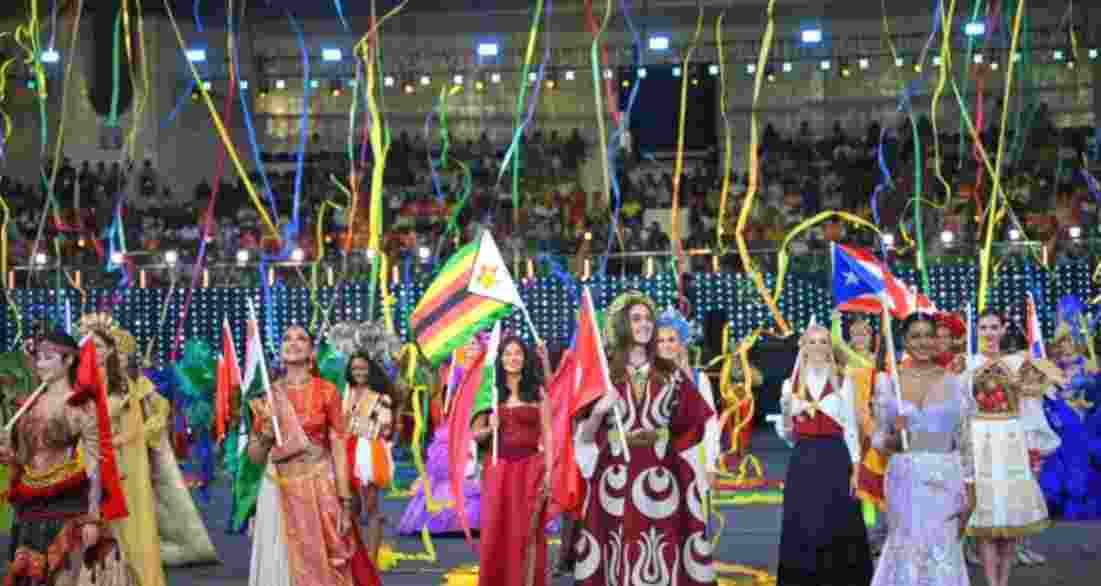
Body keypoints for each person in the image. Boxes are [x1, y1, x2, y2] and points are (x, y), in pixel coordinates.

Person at [573, 291, 716, 586]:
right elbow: (585, 436)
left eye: (648, 318)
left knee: (663, 550)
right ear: (623, 324)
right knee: (617, 548)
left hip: (664, 478)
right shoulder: (604, 374)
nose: (645, 324)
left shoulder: (671, 373)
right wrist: (599, 411)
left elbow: (694, 424)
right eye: (636, 318)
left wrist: (673, 448)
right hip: (615, 479)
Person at [246, 325, 379, 586]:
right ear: (280, 350)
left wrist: (344, 500)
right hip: (278, 490)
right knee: (282, 563)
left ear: (311, 351)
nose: (293, 343)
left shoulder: (327, 391)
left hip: (319, 487)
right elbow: (255, 457)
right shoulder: (269, 396)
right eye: (286, 338)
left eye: (301, 338)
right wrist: (264, 433)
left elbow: (339, 446)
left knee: (325, 562)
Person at [0, 329, 134, 586]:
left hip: (67, 503)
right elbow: (24, 458)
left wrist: (93, 517)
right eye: (37, 358)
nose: (40, 364)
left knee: (62, 578)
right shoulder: (31, 404)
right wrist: (9, 453)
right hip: (29, 503)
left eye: (48, 358)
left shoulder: (81, 404)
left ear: (69, 360)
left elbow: (94, 461)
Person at [869, 313, 973, 586]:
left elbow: (966, 441)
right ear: (904, 341)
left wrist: (972, 489)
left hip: (945, 476)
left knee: (943, 545)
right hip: (905, 477)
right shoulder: (888, 383)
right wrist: (894, 436)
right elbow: (879, 441)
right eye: (915, 336)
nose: (923, 342)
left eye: (928, 335)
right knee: (907, 544)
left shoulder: (956, 381)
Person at [776, 319, 873, 586]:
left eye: (823, 342)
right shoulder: (790, 384)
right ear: (803, 346)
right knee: (804, 523)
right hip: (804, 457)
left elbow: (851, 428)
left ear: (829, 347)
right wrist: (786, 414)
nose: (817, 347)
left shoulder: (843, 381)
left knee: (837, 521)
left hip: (835, 457)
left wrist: (856, 469)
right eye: (812, 342)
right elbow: (787, 435)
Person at [83, 315, 167, 586]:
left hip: (125, 469)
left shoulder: (132, 385)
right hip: (86, 467)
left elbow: (161, 411)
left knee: (129, 534)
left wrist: (134, 435)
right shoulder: (79, 386)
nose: (92, 352)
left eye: (98, 346)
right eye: (88, 346)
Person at [470, 336, 553, 586]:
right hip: (498, 470)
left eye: (518, 353)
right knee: (496, 531)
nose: (513, 358)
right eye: (507, 354)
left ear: (525, 359)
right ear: (500, 358)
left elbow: (549, 434)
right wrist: (489, 428)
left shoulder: (537, 392)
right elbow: (475, 434)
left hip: (531, 469)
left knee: (526, 533)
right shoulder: (490, 393)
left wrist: (550, 473)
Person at [397, 335, 483, 535]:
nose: (471, 349)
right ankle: (447, 517)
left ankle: (473, 518)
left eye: (475, 345)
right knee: (445, 468)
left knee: (474, 467)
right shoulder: (455, 372)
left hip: (479, 420)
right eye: (467, 345)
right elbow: (447, 399)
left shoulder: (487, 375)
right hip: (457, 422)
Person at [830, 311, 886, 551]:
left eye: (864, 333)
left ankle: (883, 529)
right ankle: (868, 530)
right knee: (860, 476)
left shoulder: (879, 360)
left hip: (877, 423)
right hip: (853, 426)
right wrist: (835, 321)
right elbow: (836, 343)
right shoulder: (849, 361)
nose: (860, 338)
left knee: (879, 474)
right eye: (855, 334)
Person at [655, 306, 720, 486]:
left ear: (681, 343)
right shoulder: (645, 379)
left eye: (671, 340)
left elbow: (710, 424)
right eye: (660, 341)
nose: (666, 345)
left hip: (692, 458)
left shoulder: (699, 379)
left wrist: (710, 464)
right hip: (655, 461)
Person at [344, 352, 396, 564]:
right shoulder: (346, 391)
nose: (359, 373)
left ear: (370, 369)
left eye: (363, 368)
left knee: (371, 507)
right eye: (355, 369)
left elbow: (386, 428)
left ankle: (372, 559)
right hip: (347, 447)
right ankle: (355, 557)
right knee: (351, 506)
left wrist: (378, 426)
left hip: (368, 450)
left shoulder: (380, 396)